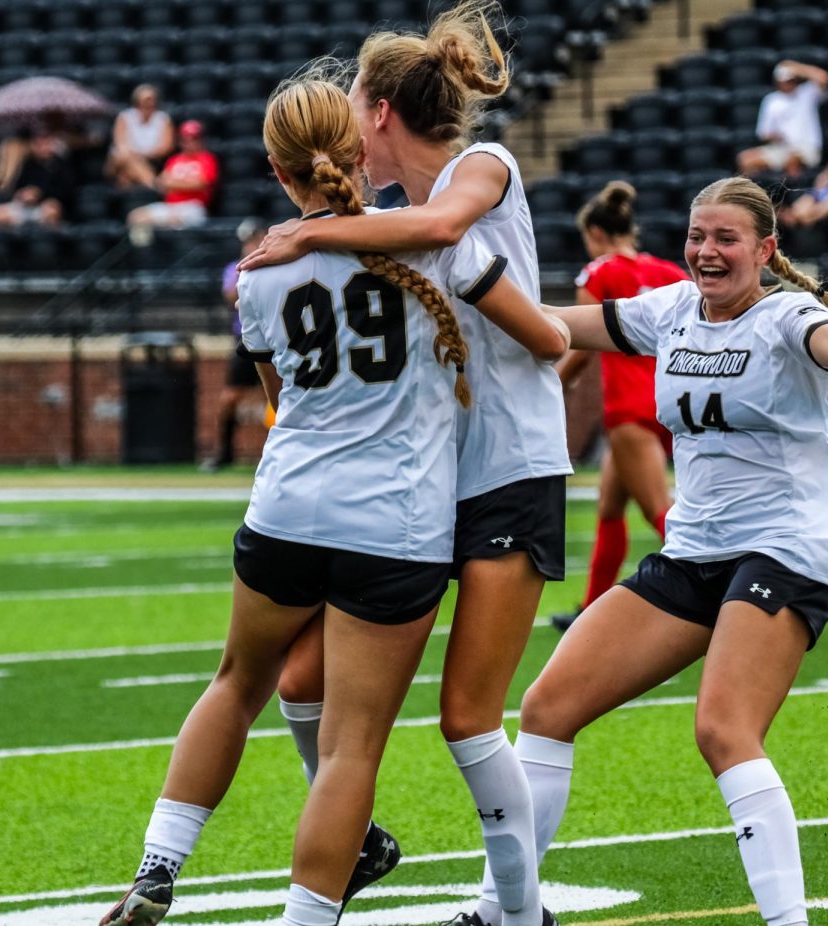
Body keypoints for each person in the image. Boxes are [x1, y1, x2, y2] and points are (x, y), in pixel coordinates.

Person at [98, 73, 568, 926]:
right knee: (352, 749)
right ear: (359, 150)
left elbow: (279, 397)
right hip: (396, 522)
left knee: (237, 683)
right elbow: (544, 335)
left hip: (284, 509)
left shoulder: (259, 273)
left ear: (279, 171)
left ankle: (158, 868)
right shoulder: (433, 245)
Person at [493, 176, 828, 926]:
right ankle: (507, 912)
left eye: (725, 239)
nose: (706, 252)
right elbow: (559, 327)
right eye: (696, 237)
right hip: (694, 548)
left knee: (722, 729)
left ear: (765, 250)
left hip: (783, 547)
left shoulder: (788, 316)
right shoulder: (672, 310)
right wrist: (464, 299)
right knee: (548, 707)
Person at [239, 5, 572, 926]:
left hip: (511, 470)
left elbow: (446, 230)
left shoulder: (481, 168)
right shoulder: (384, 219)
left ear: (380, 111)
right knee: (300, 683)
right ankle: (360, 837)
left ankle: (517, 913)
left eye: (352, 98)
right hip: (423, 486)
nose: (343, 120)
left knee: (467, 714)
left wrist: (306, 234)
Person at [547, 181, 687, 633]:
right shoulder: (669, 272)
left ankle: (721, 579)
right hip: (667, 401)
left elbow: (584, 344)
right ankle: (591, 609)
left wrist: (552, 385)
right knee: (609, 507)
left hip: (628, 407)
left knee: (658, 510)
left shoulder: (598, 274)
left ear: (595, 233)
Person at [203, 219, 269, 472]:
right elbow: (232, 294)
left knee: (276, 398)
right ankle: (224, 453)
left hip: (272, 335)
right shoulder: (238, 267)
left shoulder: (275, 261)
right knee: (230, 398)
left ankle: (273, 451)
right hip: (245, 339)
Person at [736, 60, 828, 179]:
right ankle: (750, 193)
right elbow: (764, 134)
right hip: (781, 148)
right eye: (786, 81)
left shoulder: (807, 93)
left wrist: (797, 66)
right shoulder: (771, 100)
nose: (789, 84)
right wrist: (776, 137)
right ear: (778, 82)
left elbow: (823, 78)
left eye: (792, 80)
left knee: (792, 160)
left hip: (807, 149)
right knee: (745, 159)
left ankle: (792, 192)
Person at [127, 120, 218, 233]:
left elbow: (202, 183)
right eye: (186, 139)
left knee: (174, 220)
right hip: (170, 206)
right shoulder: (174, 160)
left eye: (194, 138)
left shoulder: (207, 159)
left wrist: (174, 183)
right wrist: (185, 183)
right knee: (136, 217)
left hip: (193, 207)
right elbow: (161, 183)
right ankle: (145, 250)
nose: (189, 142)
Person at [0, 130, 75, 228]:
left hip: (43, 206)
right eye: (40, 144)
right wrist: (22, 194)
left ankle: (44, 242)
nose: (44, 147)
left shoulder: (59, 165)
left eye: (47, 143)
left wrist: (40, 194)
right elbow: (15, 188)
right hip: (23, 207)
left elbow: (66, 191)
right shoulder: (27, 164)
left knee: (52, 210)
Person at [105, 84, 176, 189]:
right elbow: (120, 145)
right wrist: (136, 156)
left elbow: (165, 148)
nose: (149, 102)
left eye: (152, 99)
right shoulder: (125, 117)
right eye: (146, 99)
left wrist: (140, 155)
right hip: (118, 161)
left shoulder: (163, 119)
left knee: (125, 176)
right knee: (123, 156)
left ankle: (128, 183)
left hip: (149, 161)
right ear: (137, 101)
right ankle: (153, 184)